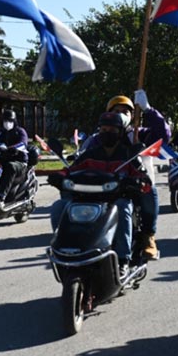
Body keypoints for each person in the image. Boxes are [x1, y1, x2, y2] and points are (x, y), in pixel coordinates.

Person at [48, 112, 149, 277]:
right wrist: (58, 176)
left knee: (123, 208)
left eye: (112, 130)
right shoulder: (90, 154)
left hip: (115, 201)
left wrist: (138, 182)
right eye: (103, 129)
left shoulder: (128, 156)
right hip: (87, 202)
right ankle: (64, 251)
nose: (107, 132)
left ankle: (123, 259)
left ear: (120, 133)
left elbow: (142, 177)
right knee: (59, 207)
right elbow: (70, 170)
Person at [82, 90, 169, 259]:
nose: (120, 115)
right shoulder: (97, 137)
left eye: (125, 112)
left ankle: (148, 236)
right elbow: (82, 158)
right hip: (102, 185)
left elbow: (163, 136)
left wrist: (149, 109)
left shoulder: (138, 134)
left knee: (149, 194)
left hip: (134, 183)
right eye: (116, 111)